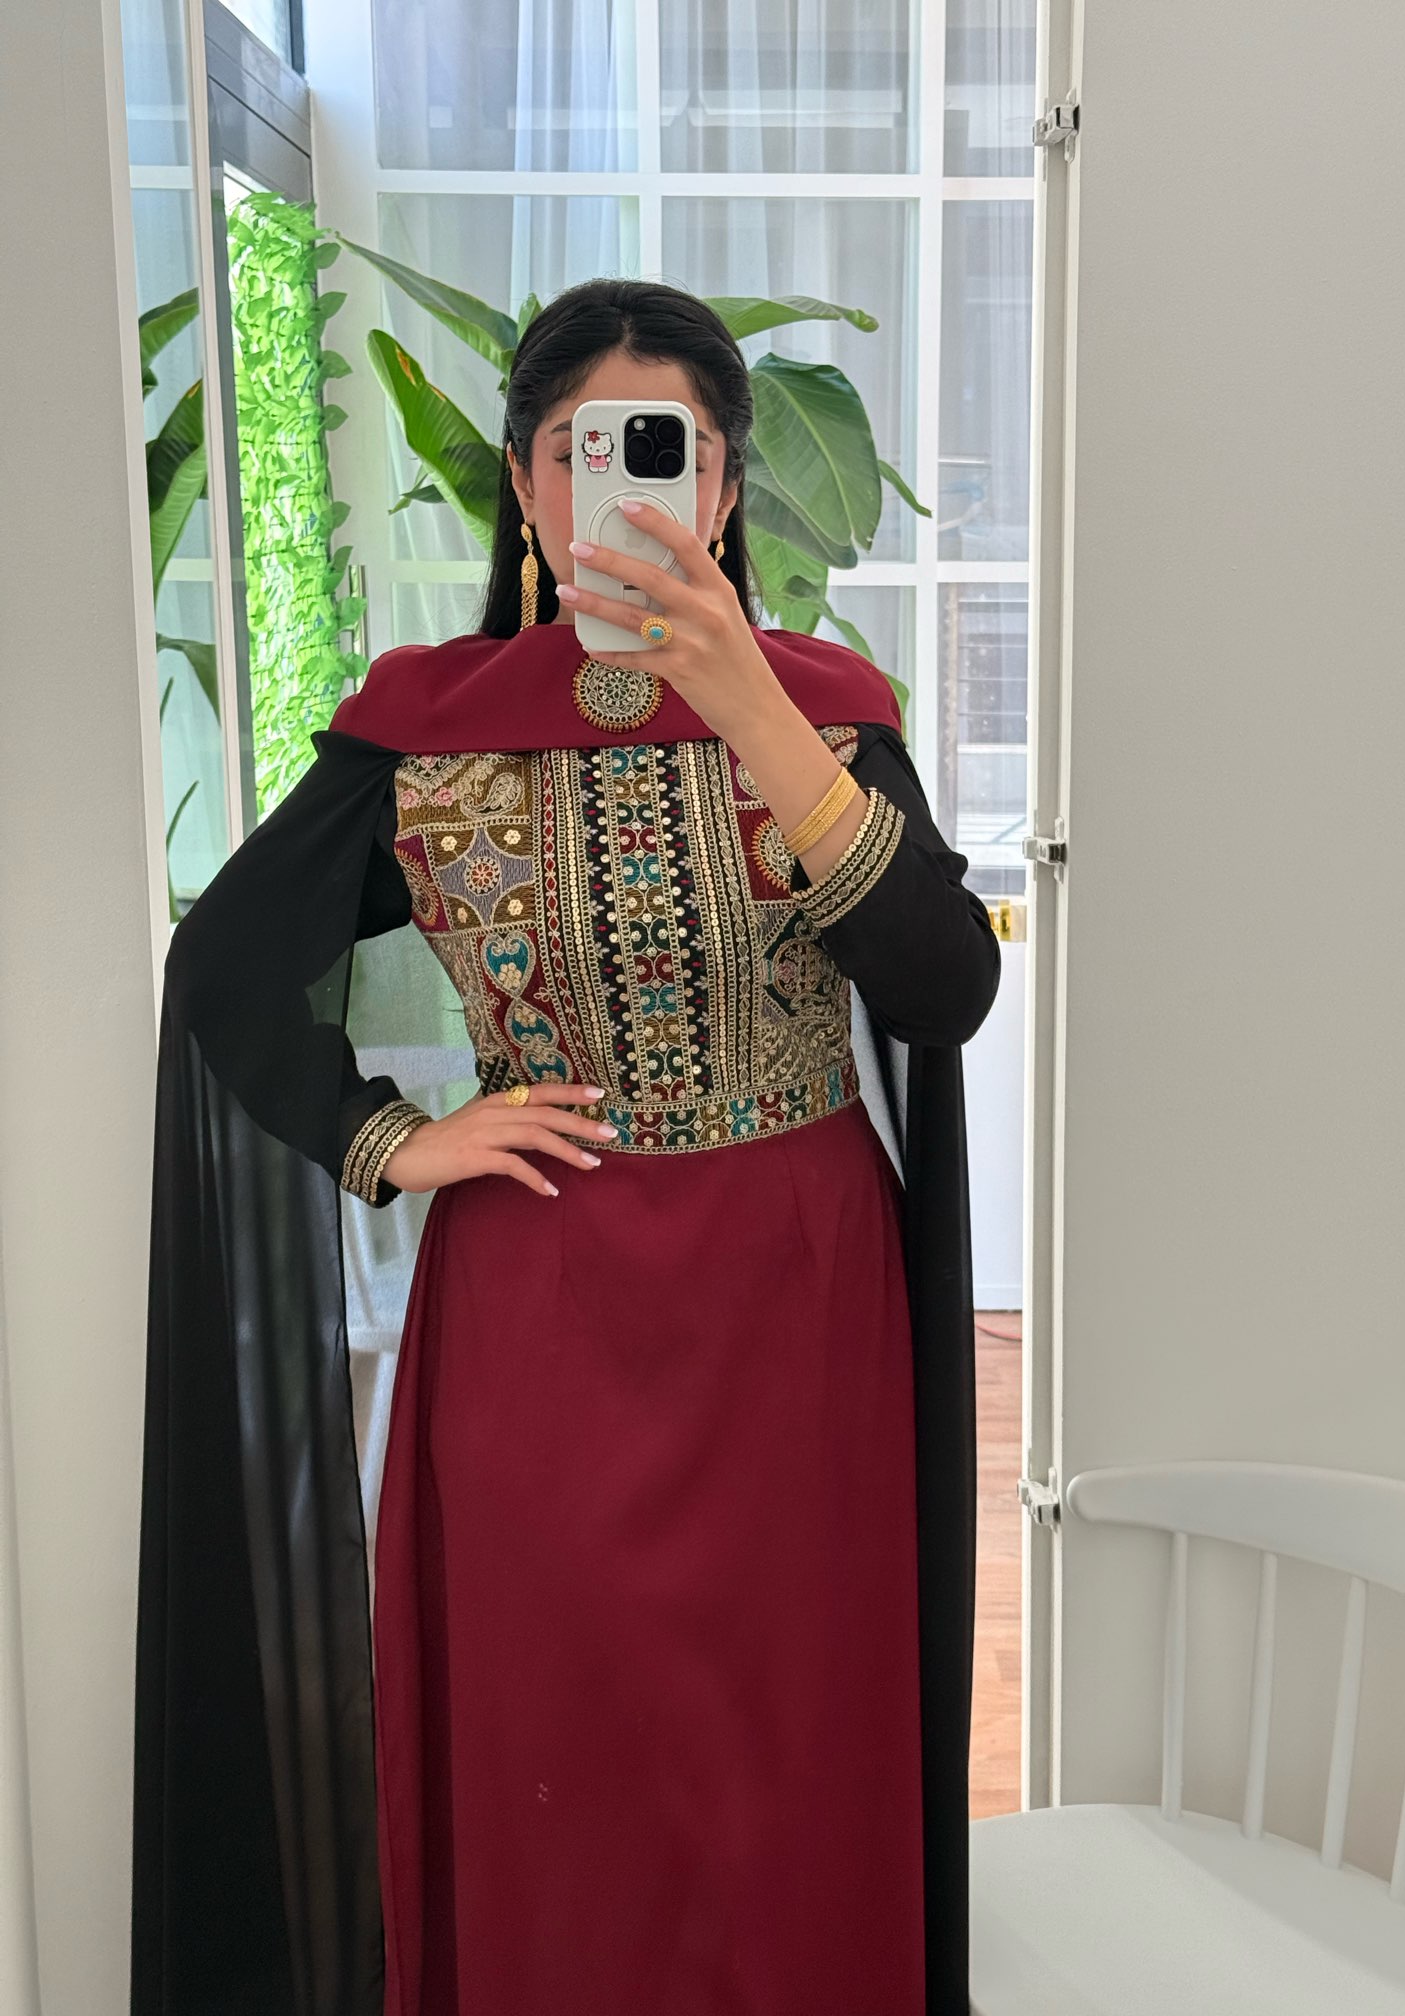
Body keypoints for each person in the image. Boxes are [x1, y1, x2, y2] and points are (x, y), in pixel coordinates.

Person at [131, 276, 1001, 2016]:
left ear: (725, 487)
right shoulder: (428, 730)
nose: (624, 485)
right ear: (528, 485)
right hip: (539, 1314)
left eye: (670, 451)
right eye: (577, 449)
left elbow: (946, 989)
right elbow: (222, 969)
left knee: (788, 1745)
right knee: (561, 1742)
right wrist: (393, 1140)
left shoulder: (830, 710)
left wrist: (754, 710)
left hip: (800, 1312)